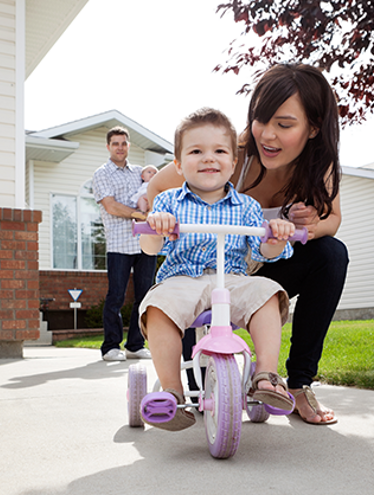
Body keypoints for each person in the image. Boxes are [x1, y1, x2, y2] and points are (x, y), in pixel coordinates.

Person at [147, 63, 348, 425]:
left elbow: (333, 220)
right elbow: (158, 188)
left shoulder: (319, 166)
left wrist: (309, 227)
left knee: (332, 254)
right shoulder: (226, 155)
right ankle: (173, 389)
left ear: (313, 128)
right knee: (196, 383)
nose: (267, 135)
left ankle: (293, 383)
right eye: (260, 119)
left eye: (284, 125)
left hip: (257, 265)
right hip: (195, 268)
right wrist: (162, 221)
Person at [138, 108, 296, 431]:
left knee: (267, 292)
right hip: (182, 279)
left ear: (233, 163)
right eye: (196, 151)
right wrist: (155, 227)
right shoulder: (169, 203)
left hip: (234, 279)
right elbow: (150, 248)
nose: (209, 158)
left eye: (220, 151)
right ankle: (172, 392)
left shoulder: (247, 207)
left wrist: (276, 237)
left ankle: (265, 376)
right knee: (157, 306)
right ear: (179, 164)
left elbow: (265, 250)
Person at [92, 126, 157, 362]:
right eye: (115, 143)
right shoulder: (102, 173)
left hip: (146, 241)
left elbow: (155, 189)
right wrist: (140, 215)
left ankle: (135, 344)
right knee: (116, 296)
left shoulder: (140, 172)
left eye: (124, 143)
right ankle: (110, 346)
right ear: (108, 147)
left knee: (144, 296)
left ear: (128, 146)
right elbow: (111, 206)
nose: (120, 147)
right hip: (119, 243)